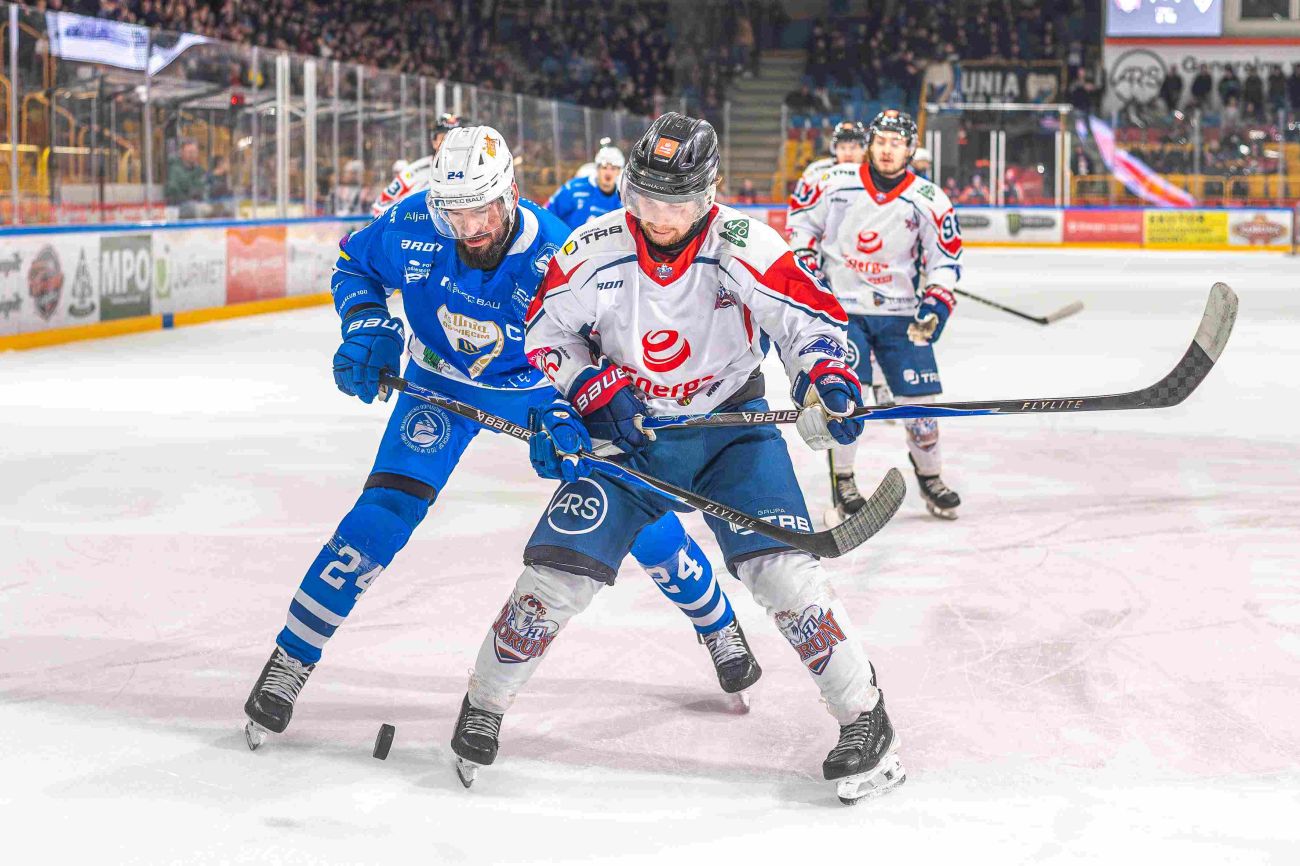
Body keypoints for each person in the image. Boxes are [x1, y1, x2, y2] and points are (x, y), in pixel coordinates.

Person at [243, 125, 762, 751]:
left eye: (483, 211)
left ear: (511, 194)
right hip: (438, 381)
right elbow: (355, 264)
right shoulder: (412, 222)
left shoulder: (555, 253)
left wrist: (574, 409)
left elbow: (602, 348)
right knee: (379, 517)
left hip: (540, 389)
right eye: (455, 213)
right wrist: (367, 325)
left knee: (632, 513)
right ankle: (291, 658)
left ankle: (716, 622)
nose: (471, 228)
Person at [449, 112, 906, 806]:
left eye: (680, 203)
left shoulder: (745, 243)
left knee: (784, 575)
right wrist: (591, 384)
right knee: (555, 575)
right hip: (632, 438)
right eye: (647, 199)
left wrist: (826, 377)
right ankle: (483, 703)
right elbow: (545, 334)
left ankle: (865, 719)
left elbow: (806, 320)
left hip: (732, 432)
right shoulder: (593, 247)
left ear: (709, 195)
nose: (661, 219)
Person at [787, 109, 964, 522]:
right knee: (847, 398)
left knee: (921, 404)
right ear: (870, 144)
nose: (887, 150)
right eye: (881, 142)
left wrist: (937, 302)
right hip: (843, 310)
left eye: (896, 143)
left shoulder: (929, 199)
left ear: (910, 149)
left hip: (901, 313)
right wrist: (808, 265)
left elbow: (945, 258)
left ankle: (931, 477)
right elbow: (802, 228)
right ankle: (844, 482)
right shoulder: (834, 182)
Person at [370, 113, 465, 217]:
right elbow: (379, 207)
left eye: (456, 138)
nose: (450, 143)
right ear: (434, 142)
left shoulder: (475, 170)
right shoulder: (414, 172)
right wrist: (407, 220)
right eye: (444, 137)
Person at [545, 144, 625, 229]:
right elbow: (547, 214)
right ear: (597, 169)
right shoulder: (574, 188)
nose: (608, 173)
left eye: (613, 168)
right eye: (604, 168)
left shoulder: (623, 198)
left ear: (619, 171)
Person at [165, 138, 208, 219]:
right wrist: (190, 195)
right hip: (179, 210)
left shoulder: (200, 170)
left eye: (194, 152)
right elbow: (172, 191)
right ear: (182, 153)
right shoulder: (174, 170)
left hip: (199, 207)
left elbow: (205, 189)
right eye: (189, 152)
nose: (192, 155)